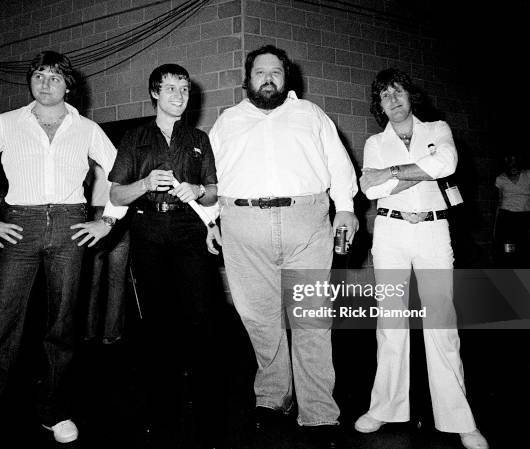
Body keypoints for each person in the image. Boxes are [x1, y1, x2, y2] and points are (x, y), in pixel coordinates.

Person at [0, 51, 126, 443]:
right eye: (38, 75)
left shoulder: (87, 129)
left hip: (70, 225)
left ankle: (53, 408)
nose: (45, 82)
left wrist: (108, 220)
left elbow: (122, 174)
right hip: (20, 223)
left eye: (53, 76)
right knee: (1, 320)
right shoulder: (7, 123)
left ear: (69, 85)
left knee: (62, 323)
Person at [207, 45, 359, 448]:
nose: (268, 78)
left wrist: (345, 209)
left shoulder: (309, 115)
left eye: (276, 71)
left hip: (306, 222)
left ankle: (319, 411)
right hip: (243, 225)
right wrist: (209, 221)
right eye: (260, 72)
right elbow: (208, 177)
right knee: (259, 319)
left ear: (286, 78)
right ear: (248, 79)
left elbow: (340, 164)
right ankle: (273, 398)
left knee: (311, 318)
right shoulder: (228, 121)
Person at [356, 68, 488, 449]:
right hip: (391, 232)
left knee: (441, 323)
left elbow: (446, 165)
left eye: (398, 91)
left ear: (410, 96)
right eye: (384, 96)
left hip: (432, 230)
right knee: (391, 323)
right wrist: (421, 171)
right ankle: (384, 408)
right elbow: (369, 187)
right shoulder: (374, 142)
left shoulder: (438, 129)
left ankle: (460, 420)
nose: (393, 99)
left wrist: (393, 174)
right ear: (378, 106)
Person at [109, 64, 220, 448]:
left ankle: (207, 407)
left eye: (184, 88)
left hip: (189, 231)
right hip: (148, 231)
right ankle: (161, 404)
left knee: (201, 316)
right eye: (170, 88)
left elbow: (213, 193)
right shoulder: (134, 136)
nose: (178, 95)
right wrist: (142, 183)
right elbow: (116, 196)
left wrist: (196, 189)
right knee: (156, 318)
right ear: (155, 93)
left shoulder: (199, 138)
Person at [83, 162, 131, 344]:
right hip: (121, 215)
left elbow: (84, 183)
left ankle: (88, 330)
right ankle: (112, 332)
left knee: (92, 278)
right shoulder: (126, 156)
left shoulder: (93, 158)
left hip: (97, 213)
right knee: (117, 278)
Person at [494, 153, 530, 267]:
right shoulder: (500, 179)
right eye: (509, 161)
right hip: (507, 217)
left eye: (514, 160)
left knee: (524, 246)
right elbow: (499, 200)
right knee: (509, 247)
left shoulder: (529, 174)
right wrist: (496, 222)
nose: (512, 164)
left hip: (525, 216)